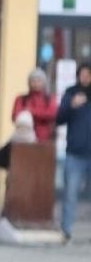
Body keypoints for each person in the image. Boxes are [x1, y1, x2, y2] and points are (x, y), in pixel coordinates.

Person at [59, 62, 91, 240]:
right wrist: (71, 105)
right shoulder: (71, 92)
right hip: (75, 152)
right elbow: (59, 118)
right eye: (82, 74)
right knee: (70, 193)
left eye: (88, 74)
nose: (85, 77)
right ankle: (66, 230)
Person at [11, 68, 57, 144]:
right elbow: (16, 116)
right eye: (33, 81)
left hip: (44, 140)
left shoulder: (49, 99)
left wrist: (31, 112)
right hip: (24, 139)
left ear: (43, 82)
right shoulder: (21, 99)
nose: (36, 83)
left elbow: (52, 114)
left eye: (39, 80)